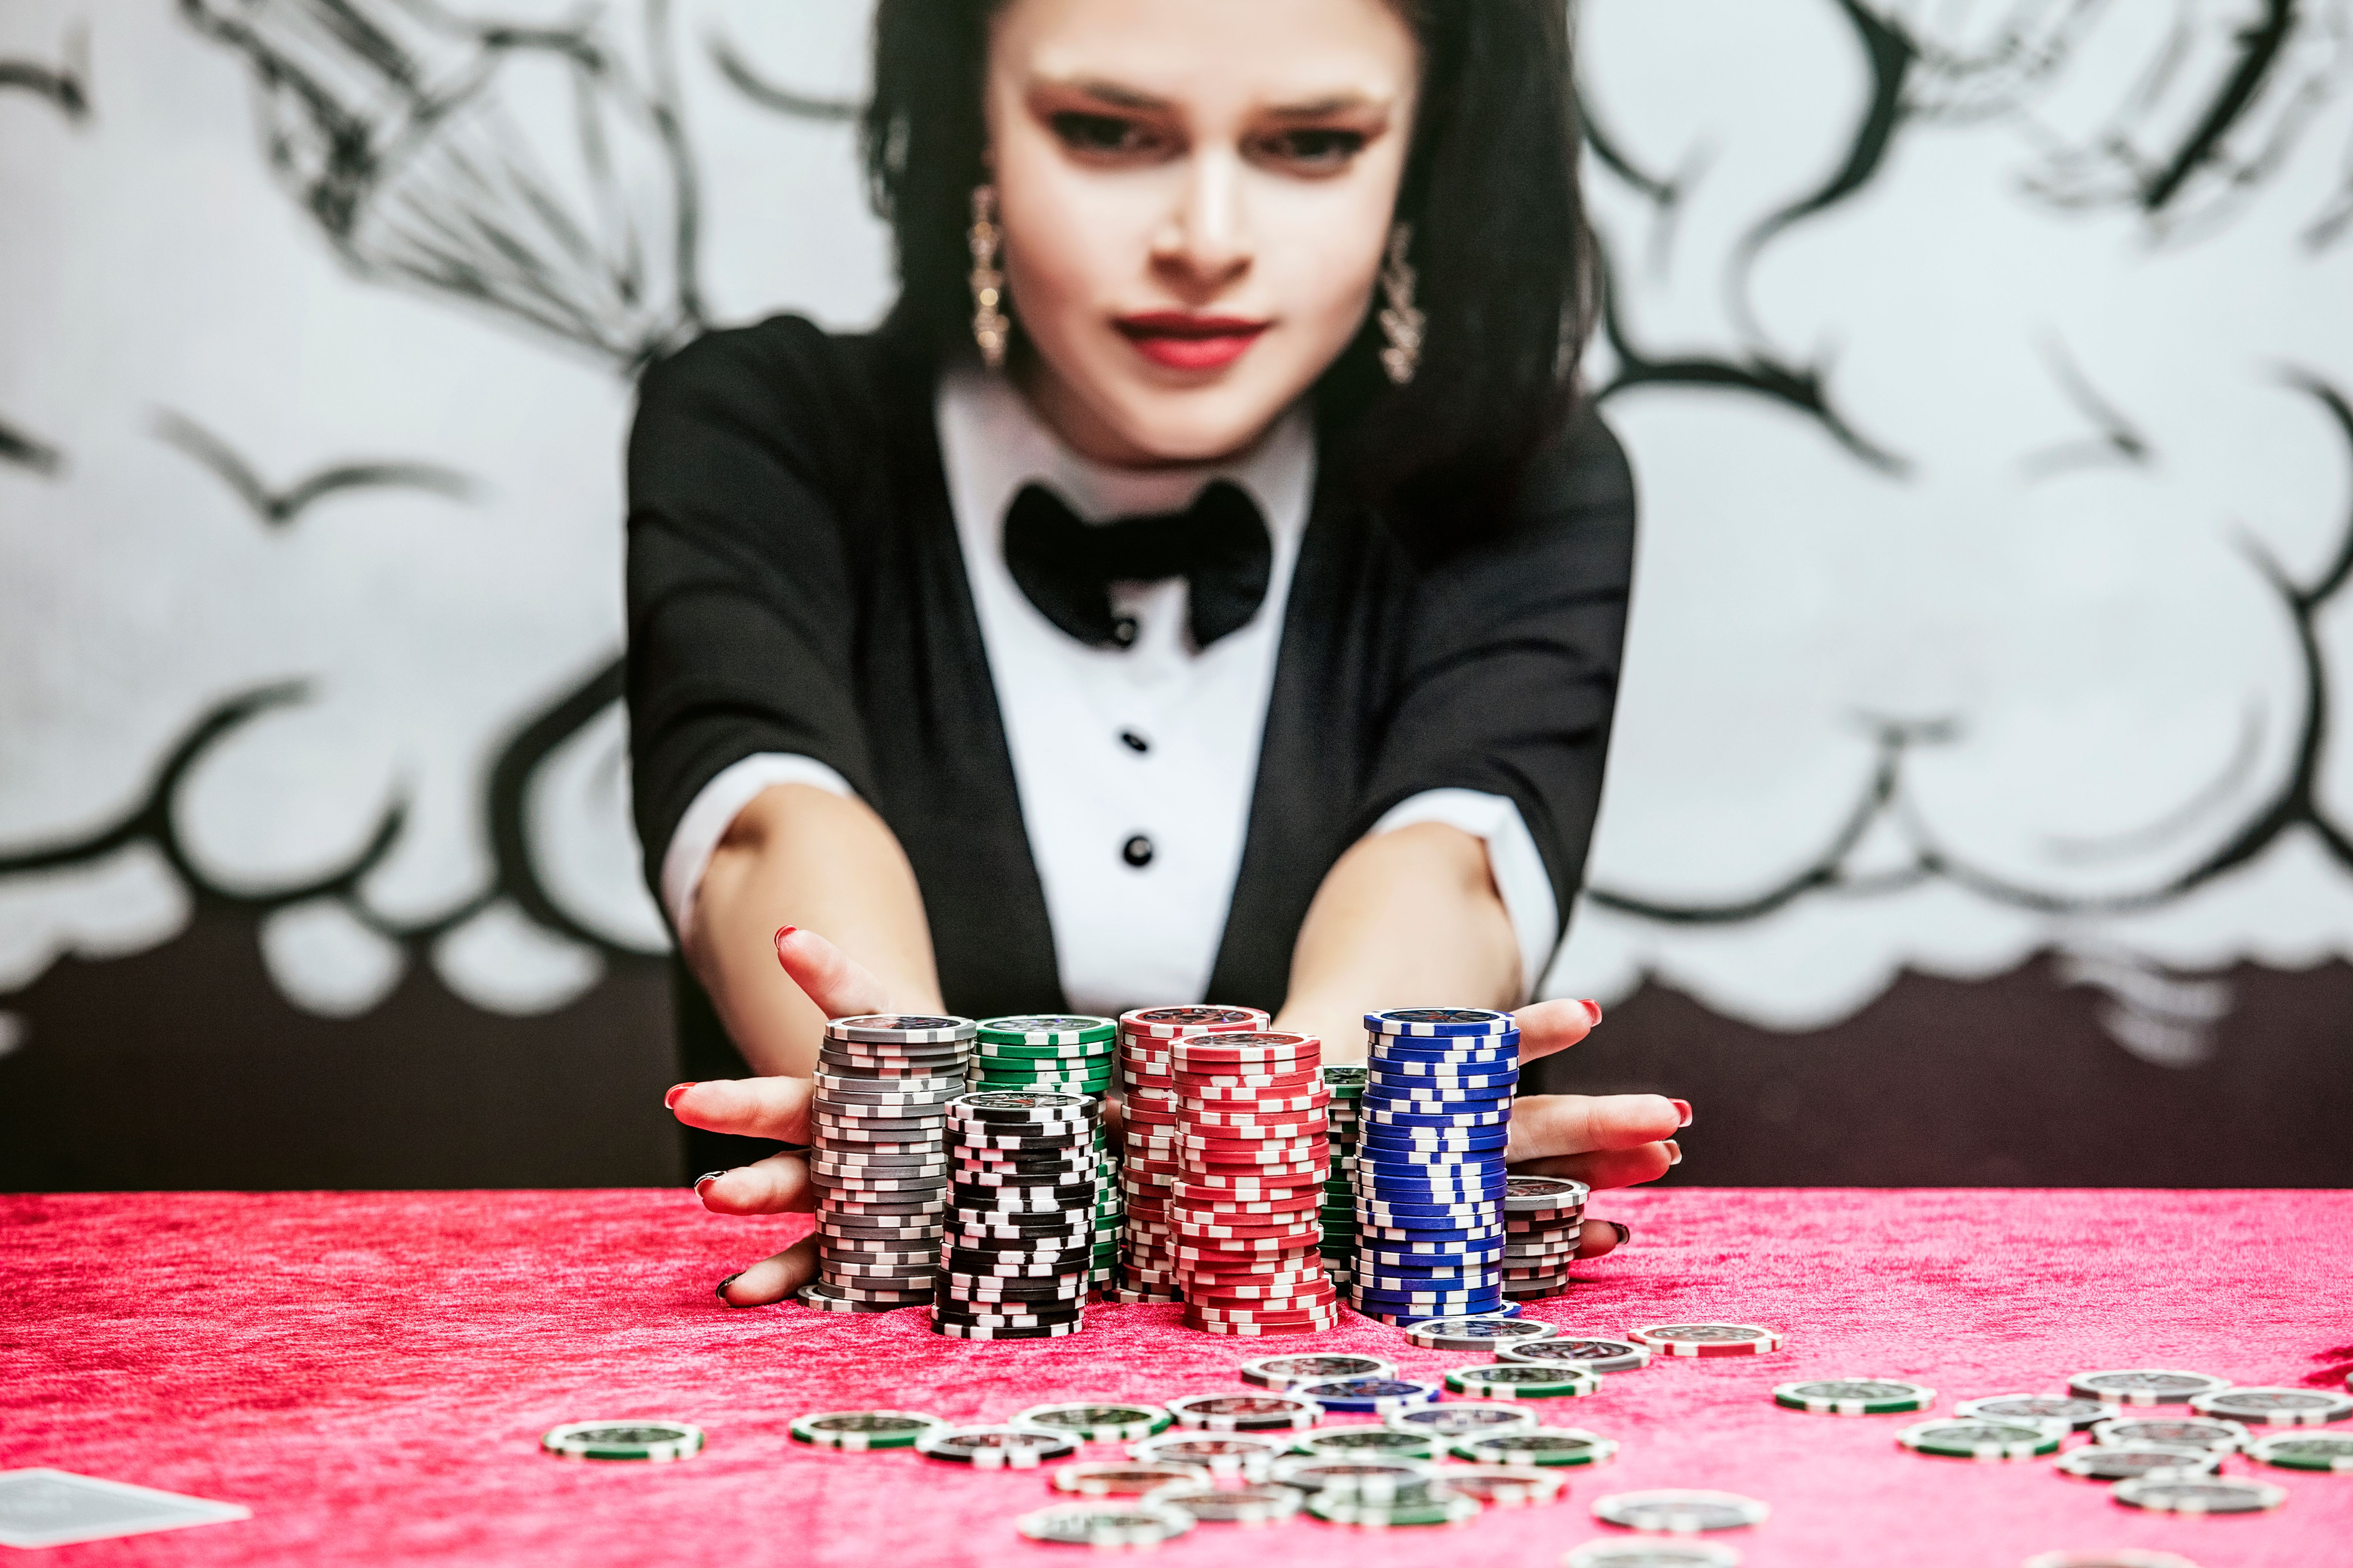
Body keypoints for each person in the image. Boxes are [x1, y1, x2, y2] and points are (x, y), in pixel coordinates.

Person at [625, 0, 1688, 1307]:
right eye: (1108, 132)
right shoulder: (758, 429)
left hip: (1341, 1410)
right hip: (852, 1412)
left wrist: (1010, 1183)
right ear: (969, 119)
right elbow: (763, 842)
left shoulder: (1526, 478)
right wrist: (1313, 1161)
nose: (1205, 242)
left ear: (1430, 146)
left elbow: (1447, 880)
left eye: (1310, 144)